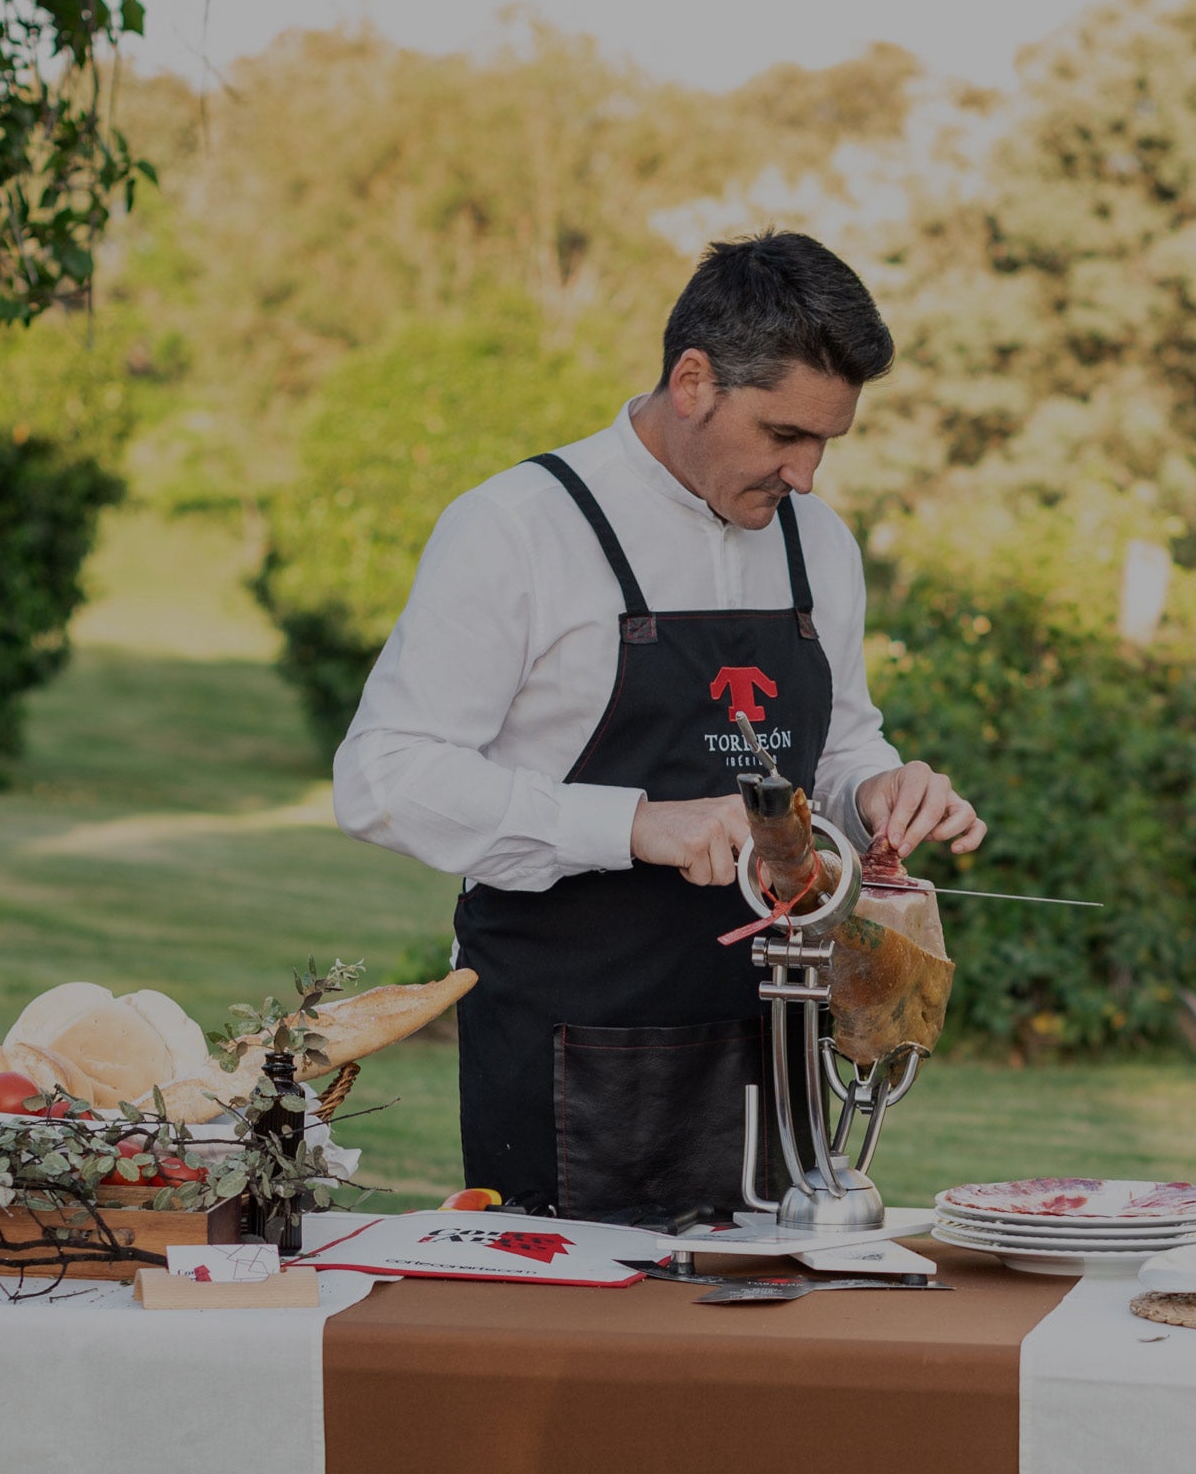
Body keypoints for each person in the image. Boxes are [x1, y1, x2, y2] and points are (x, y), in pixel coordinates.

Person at [332, 232, 984, 1226]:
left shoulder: (821, 544)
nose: (805, 475)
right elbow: (381, 776)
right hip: (570, 1061)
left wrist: (878, 785)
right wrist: (638, 824)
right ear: (692, 381)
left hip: (778, 1055)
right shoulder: (518, 529)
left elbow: (844, 739)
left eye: (825, 443)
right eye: (782, 435)